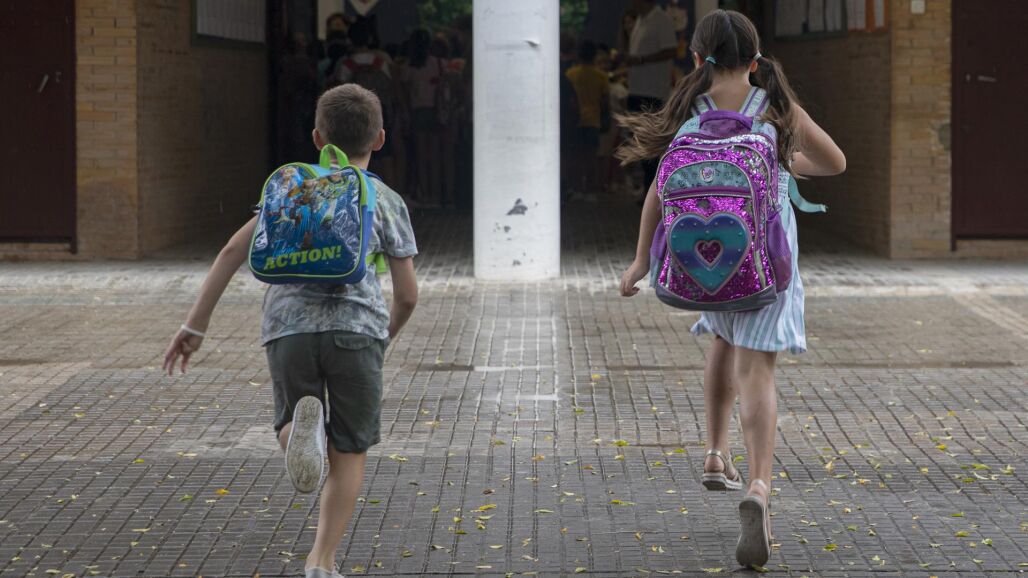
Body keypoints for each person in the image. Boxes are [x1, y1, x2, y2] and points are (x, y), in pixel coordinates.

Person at [616, 9, 845, 570]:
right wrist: (783, 163)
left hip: (704, 267)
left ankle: (716, 452)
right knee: (757, 370)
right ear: (756, 59)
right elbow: (835, 162)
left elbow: (658, 190)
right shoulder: (775, 109)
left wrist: (641, 260)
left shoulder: (689, 109)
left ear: (697, 58)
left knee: (720, 337)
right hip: (766, 267)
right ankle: (760, 487)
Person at [162, 85, 419, 578]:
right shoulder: (384, 199)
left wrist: (195, 325)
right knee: (351, 449)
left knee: (292, 420)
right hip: (357, 332)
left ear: (318, 137)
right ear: (380, 138)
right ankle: (321, 562)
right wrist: (382, 338)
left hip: (288, 329)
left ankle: (298, 438)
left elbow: (231, 252)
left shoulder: (290, 188)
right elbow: (407, 295)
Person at [335, 18, 399, 186]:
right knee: (385, 154)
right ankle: (389, 189)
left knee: (354, 153)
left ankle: (358, 189)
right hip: (379, 110)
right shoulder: (380, 62)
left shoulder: (346, 64)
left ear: (350, 40)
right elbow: (392, 87)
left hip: (353, 113)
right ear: (369, 38)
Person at [624, 0, 677, 202]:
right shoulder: (640, 20)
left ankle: (654, 194)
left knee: (652, 148)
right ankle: (648, 191)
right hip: (636, 90)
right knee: (641, 146)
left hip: (653, 93)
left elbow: (671, 50)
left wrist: (640, 60)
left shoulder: (661, 19)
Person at [565, 40, 610, 197]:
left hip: (575, 121)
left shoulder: (571, 74)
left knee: (575, 156)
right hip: (593, 121)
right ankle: (590, 190)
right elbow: (605, 102)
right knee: (591, 157)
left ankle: (576, 188)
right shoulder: (601, 76)